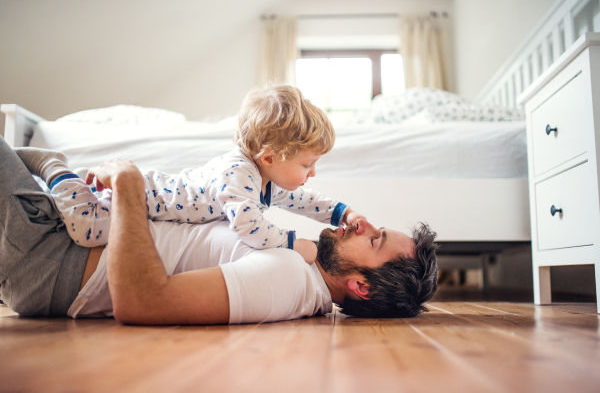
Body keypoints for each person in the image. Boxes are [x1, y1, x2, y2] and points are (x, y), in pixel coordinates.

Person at [0, 136, 439, 323]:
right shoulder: (301, 272)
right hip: (55, 241)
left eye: (374, 239)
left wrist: (131, 186)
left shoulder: (287, 279)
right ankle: (50, 167)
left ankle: (52, 165)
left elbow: (142, 303)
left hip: (49, 253)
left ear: (360, 286)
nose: (363, 225)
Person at [14, 85, 365, 254]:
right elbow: (248, 226)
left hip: (149, 200)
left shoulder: (263, 174)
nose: (313, 173)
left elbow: (301, 199)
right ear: (271, 157)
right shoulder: (238, 175)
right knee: (86, 229)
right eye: (308, 164)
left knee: (61, 223)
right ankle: (55, 169)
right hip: (138, 197)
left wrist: (341, 213)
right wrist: (293, 243)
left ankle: (47, 193)